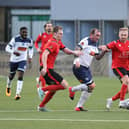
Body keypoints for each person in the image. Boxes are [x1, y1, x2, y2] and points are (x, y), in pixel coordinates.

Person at [37, 26, 82, 111]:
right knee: (64, 85)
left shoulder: (58, 42)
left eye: (62, 34)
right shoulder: (53, 43)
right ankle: (42, 89)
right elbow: (44, 54)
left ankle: (41, 106)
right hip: (47, 69)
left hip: (49, 68)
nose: (61, 35)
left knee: (53, 89)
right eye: (60, 34)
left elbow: (65, 50)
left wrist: (74, 52)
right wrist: (45, 68)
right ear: (54, 34)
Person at [69, 28, 106, 111]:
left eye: (99, 36)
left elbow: (98, 57)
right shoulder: (86, 41)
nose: (98, 37)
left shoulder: (95, 45)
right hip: (79, 67)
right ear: (91, 35)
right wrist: (77, 60)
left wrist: (104, 51)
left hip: (86, 68)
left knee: (90, 88)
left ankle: (79, 106)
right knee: (91, 85)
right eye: (96, 35)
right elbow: (77, 49)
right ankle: (72, 89)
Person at [99, 27, 129, 110]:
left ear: (127, 35)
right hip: (117, 67)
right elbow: (106, 47)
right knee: (126, 80)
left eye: (125, 35)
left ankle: (111, 100)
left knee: (126, 89)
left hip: (127, 68)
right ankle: (122, 102)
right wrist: (103, 48)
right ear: (119, 35)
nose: (123, 36)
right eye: (122, 35)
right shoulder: (115, 43)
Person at [5, 27, 33, 100]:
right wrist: (13, 52)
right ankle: (8, 86)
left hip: (22, 60)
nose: (25, 34)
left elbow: (31, 49)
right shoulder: (15, 39)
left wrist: (30, 57)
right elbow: (7, 48)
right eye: (23, 32)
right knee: (11, 75)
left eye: (26, 32)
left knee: (20, 75)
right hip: (13, 60)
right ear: (20, 33)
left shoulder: (29, 40)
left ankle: (17, 94)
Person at [35, 22, 53, 91]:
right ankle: (43, 88)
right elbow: (36, 42)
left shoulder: (53, 36)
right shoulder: (42, 35)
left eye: (51, 26)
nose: (49, 27)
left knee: (47, 71)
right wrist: (37, 48)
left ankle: (39, 79)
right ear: (45, 28)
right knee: (44, 70)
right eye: (48, 26)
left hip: (50, 56)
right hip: (42, 55)